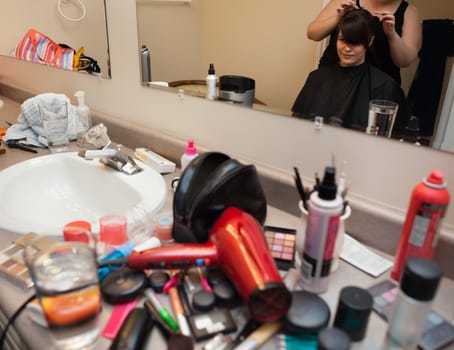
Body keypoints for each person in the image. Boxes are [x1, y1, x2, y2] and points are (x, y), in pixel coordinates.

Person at [292, 8, 411, 137]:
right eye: (342, 40)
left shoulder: (384, 86)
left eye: (355, 42)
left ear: (370, 41)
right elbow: (297, 126)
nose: (347, 48)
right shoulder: (317, 78)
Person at [307, 0, 421, 85]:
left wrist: (392, 34)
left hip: (377, 89)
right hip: (332, 81)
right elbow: (313, 34)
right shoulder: (345, 0)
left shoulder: (409, 11)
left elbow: (405, 61)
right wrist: (338, 17)